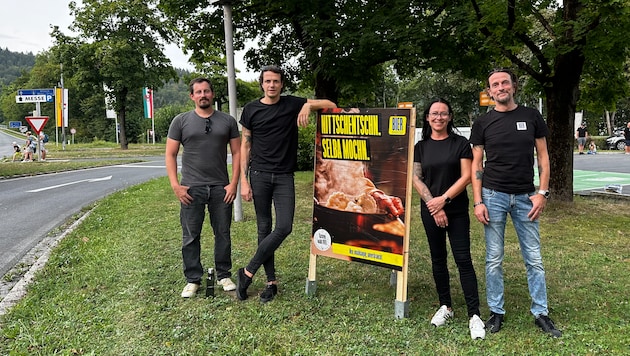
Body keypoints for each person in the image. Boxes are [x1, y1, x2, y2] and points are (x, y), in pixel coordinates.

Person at [470, 68, 562, 337]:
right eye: (495, 85)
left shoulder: (531, 116)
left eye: (504, 83)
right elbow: (477, 164)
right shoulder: (482, 123)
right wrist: (478, 201)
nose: (500, 87)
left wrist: (542, 193)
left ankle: (541, 312)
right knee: (494, 258)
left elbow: (544, 158)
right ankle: (496, 312)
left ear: (513, 86)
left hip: (526, 197)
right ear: (490, 92)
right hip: (492, 196)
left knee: (533, 257)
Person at [237, 65, 337, 302]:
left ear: (282, 84)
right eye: (267, 81)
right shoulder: (251, 110)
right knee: (263, 228)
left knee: (284, 227)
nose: (272, 85)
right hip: (259, 175)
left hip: (284, 177)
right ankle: (271, 282)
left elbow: (331, 105)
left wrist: (307, 105)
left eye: (276, 81)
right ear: (261, 83)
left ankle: (247, 272)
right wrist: (243, 180)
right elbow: (245, 145)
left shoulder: (292, 104)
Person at [412, 98, 485, 340]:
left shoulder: (460, 143)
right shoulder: (420, 147)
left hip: (455, 210)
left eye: (443, 114)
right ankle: (446, 306)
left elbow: (466, 177)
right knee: (438, 259)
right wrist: (434, 205)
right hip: (430, 209)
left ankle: (474, 314)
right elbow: (416, 178)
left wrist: (443, 200)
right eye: (434, 114)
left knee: (463, 259)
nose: (439, 117)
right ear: (427, 118)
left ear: (450, 117)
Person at [165, 77, 241, 298]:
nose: (203, 95)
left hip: (220, 188)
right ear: (192, 96)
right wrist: (175, 186)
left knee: (223, 233)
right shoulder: (180, 121)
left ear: (212, 94)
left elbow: (237, 153)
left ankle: (224, 275)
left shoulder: (227, 121)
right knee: (190, 235)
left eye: (206, 91)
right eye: (198, 92)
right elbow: (170, 154)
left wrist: (233, 183)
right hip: (191, 188)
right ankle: (192, 279)